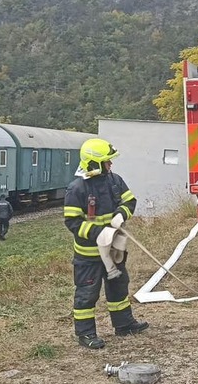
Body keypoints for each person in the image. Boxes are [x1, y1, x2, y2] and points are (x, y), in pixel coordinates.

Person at [63, 137, 149, 349]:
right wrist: (98, 232)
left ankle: (124, 325)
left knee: (119, 288)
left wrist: (121, 213)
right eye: (107, 162)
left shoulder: (114, 180)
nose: (111, 165)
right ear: (94, 164)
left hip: (114, 251)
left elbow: (130, 201)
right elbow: (72, 222)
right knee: (87, 294)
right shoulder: (77, 189)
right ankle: (86, 334)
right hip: (89, 256)